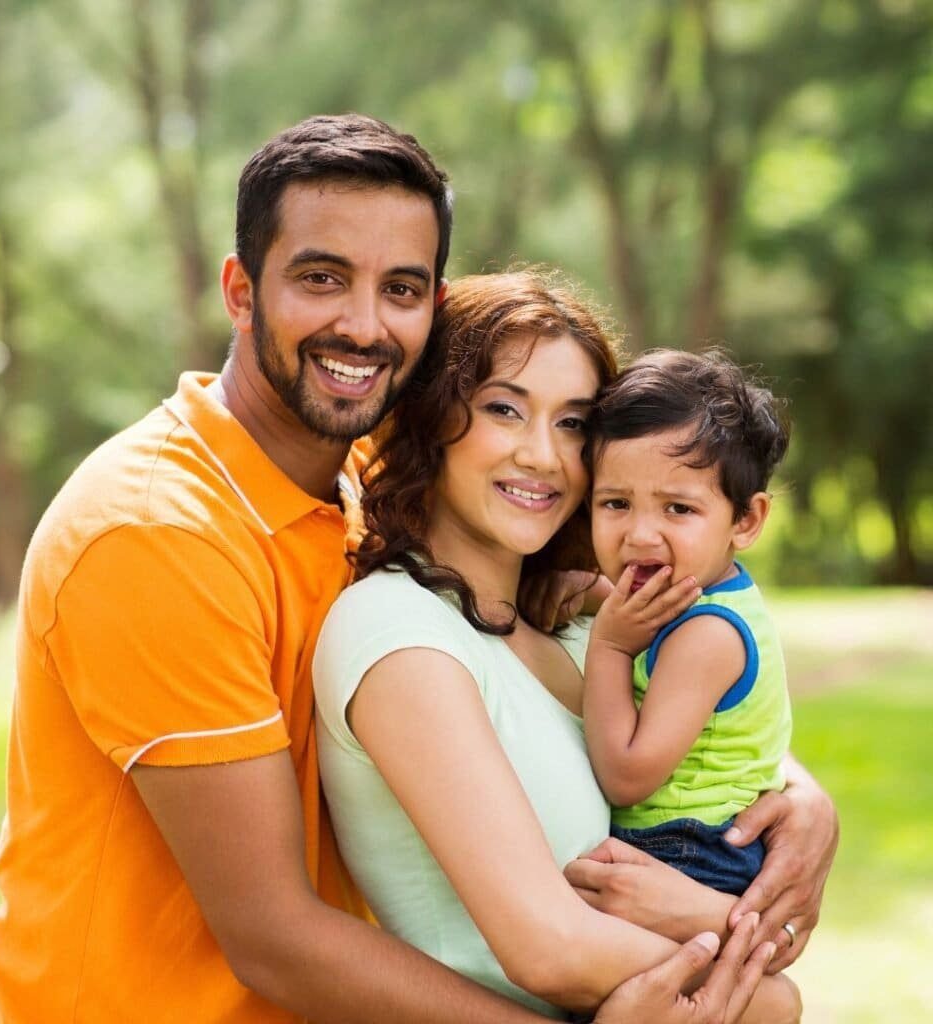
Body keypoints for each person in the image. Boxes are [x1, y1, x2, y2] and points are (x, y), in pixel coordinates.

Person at [0, 112, 831, 1022]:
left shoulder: (369, 497)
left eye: (401, 288)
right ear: (240, 290)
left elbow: (660, 728)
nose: (363, 324)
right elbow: (274, 933)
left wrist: (802, 805)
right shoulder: (157, 533)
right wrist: (757, 988)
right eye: (320, 277)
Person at [312, 271, 802, 1020]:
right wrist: (756, 967)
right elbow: (550, 948)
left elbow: (711, 735)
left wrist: (804, 801)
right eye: (505, 410)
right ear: (433, 420)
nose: (543, 456)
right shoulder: (398, 634)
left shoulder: (575, 621)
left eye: (573, 423)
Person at [582, 350, 792, 899]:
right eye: (615, 503)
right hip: (694, 846)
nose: (641, 534)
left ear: (745, 520)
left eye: (678, 509)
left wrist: (608, 647)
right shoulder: (696, 595)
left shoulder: (707, 635)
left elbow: (627, 777)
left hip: (691, 854)